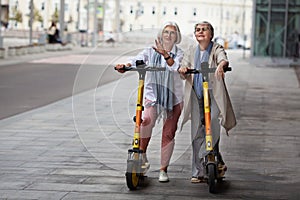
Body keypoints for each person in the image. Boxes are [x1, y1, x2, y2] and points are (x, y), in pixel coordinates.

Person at [115, 21, 184, 182]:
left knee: (168, 133)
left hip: (173, 98)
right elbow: (137, 60)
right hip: (152, 96)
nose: (168, 35)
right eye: (166, 32)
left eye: (172, 33)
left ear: (177, 37)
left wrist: (165, 55)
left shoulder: (179, 53)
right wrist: (125, 65)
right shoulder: (149, 51)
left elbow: (176, 67)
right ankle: (141, 157)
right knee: (144, 122)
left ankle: (163, 170)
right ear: (161, 34)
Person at [178, 21, 236, 183]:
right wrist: (183, 70)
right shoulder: (191, 51)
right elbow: (184, 67)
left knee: (213, 123)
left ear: (211, 34)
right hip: (197, 95)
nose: (200, 32)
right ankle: (198, 171)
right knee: (197, 131)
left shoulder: (216, 48)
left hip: (213, 95)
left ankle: (209, 155)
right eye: (197, 30)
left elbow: (223, 59)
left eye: (204, 29)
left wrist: (221, 66)